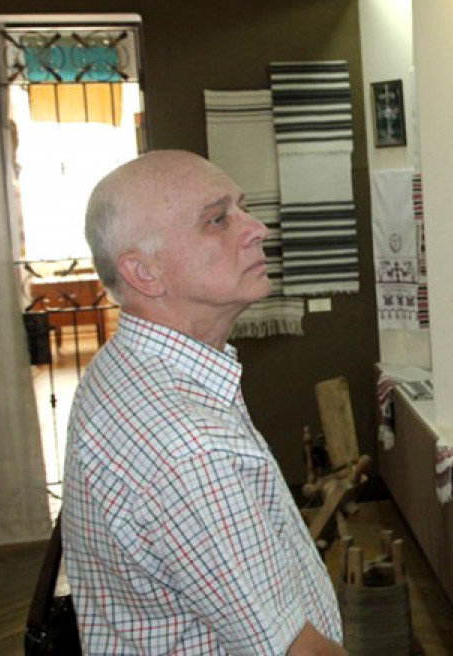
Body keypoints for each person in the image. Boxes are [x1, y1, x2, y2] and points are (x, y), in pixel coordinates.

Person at [61, 150, 345, 655]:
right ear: (144, 273)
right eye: (217, 220)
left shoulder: (129, 365)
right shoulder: (188, 444)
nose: (257, 228)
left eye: (243, 207)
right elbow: (294, 650)